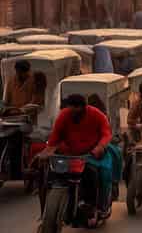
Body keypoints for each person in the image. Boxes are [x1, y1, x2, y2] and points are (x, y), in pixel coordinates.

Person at [41, 93, 117, 224]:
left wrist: (100, 147)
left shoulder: (97, 115)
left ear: (84, 108)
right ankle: (45, 211)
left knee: (91, 173)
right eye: (71, 112)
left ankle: (91, 206)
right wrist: (46, 152)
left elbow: (106, 133)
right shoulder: (64, 115)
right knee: (47, 174)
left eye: (77, 113)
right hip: (69, 155)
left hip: (90, 154)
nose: (74, 116)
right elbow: (54, 138)